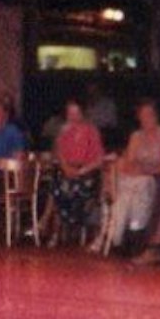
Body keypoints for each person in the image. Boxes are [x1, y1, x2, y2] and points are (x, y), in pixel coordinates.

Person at [116, 100, 160, 256]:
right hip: (137, 177)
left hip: (158, 175)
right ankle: (127, 236)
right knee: (130, 192)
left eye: (149, 115)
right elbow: (130, 162)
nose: (146, 118)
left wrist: (147, 171)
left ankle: (141, 239)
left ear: (156, 116)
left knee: (143, 189)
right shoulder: (136, 136)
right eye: (142, 116)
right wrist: (137, 171)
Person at [49, 100, 106, 244]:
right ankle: (55, 233)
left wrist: (81, 171)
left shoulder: (91, 131)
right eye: (70, 113)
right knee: (57, 186)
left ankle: (77, 227)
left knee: (78, 188)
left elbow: (99, 159)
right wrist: (66, 167)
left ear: (82, 114)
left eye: (76, 113)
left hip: (86, 171)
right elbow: (58, 154)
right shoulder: (64, 131)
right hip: (67, 169)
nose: (72, 117)